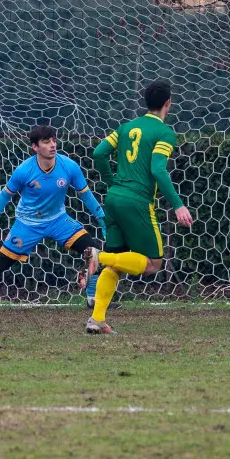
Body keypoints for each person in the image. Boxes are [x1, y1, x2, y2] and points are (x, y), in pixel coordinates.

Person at [0, 124, 104, 313]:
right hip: (27, 223)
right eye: (46, 142)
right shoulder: (24, 171)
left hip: (58, 220)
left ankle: (92, 300)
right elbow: (4, 196)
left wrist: (102, 219)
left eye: (54, 140)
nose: (53, 145)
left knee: (93, 251)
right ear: (35, 147)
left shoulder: (69, 166)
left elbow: (86, 195)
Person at [86, 81, 195, 334]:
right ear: (168, 102)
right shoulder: (164, 132)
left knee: (118, 264)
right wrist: (178, 205)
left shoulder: (126, 127)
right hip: (136, 202)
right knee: (153, 263)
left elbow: (99, 153)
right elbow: (157, 169)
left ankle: (97, 319)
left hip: (113, 199)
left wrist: (113, 182)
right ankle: (97, 256)